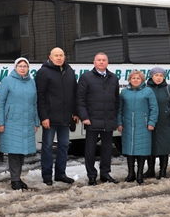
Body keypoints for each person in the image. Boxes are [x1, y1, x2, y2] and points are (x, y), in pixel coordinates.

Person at [76, 53, 120, 186]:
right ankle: (92, 175)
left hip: (108, 119)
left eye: (104, 60)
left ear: (108, 62)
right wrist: (84, 117)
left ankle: (105, 173)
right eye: (99, 60)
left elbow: (116, 100)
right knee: (90, 149)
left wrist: (115, 117)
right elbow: (80, 99)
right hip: (92, 120)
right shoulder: (86, 77)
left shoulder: (113, 78)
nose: (101, 62)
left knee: (107, 148)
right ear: (94, 62)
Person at [35, 47, 78, 186]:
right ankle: (47, 175)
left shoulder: (69, 71)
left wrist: (75, 113)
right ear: (50, 57)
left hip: (66, 117)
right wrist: (44, 117)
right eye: (56, 55)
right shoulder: (43, 72)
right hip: (50, 118)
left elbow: (75, 93)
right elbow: (40, 97)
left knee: (64, 146)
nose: (59, 58)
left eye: (61, 55)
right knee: (47, 146)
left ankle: (60, 174)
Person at [0, 57, 39, 190]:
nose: (22, 68)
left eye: (25, 66)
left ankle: (18, 178)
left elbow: (35, 103)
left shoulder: (32, 82)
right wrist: (1, 122)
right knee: (14, 152)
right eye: (20, 66)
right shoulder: (7, 81)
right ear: (15, 67)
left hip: (26, 122)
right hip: (11, 122)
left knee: (21, 151)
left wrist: (36, 122)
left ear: (28, 68)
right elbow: (0, 102)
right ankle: (15, 180)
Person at [118, 70, 158, 184]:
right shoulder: (124, 92)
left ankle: (140, 173)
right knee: (129, 149)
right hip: (128, 125)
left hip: (143, 125)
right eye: (133, 78)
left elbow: (154, 108)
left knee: (142, 150)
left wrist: (151, 122)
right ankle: (131, 173)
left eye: (138, 78)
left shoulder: (148, 91)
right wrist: (119, 123)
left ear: (142, 80)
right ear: (129, 80)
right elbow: (120, 109)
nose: (135, 80)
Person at [145, 66, 170, 179]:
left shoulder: (168, 89)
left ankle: (162, 171)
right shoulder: (146, 88)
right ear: (152, 76)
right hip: (150, 122)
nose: (159, 78)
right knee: (150, 146)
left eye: (161, 75)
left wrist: (169, 112)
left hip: (164, 122)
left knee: (164, 147)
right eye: (156, 75)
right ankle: (150, 170)